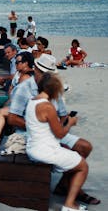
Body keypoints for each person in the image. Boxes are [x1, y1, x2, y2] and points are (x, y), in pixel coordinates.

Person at [7, 54, 99, 206]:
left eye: (48, 74)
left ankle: (66, 184)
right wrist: (38, 125)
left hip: (51, 131)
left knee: (85, 147)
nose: (45, 77)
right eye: (43, 73)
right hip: (30, 134)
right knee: (78, 161)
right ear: (35, 70)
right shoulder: (23, 88)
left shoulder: (52, 89)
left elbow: (62, 115)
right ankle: (73, 193)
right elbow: (12, 118)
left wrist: (60, 122)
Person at [26, 73, 89, 211]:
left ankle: (64, 188)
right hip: (45, 150)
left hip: (33, 147)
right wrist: (70, 123)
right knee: (83, 166)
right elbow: (60, 133)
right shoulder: (47, 106)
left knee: (74, 158)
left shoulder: (32, 101)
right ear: (54, 90)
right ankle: (69, 205)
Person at [0, 52, 34, 144]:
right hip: (20, 105)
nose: (15, 64)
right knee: (2, 109)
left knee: (1, 111)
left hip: (25, 109)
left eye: (18, 62)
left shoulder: (26, 77)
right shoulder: (21, 74)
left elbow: (21, 96)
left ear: (26, 63)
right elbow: (12, 89)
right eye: (15, 62)